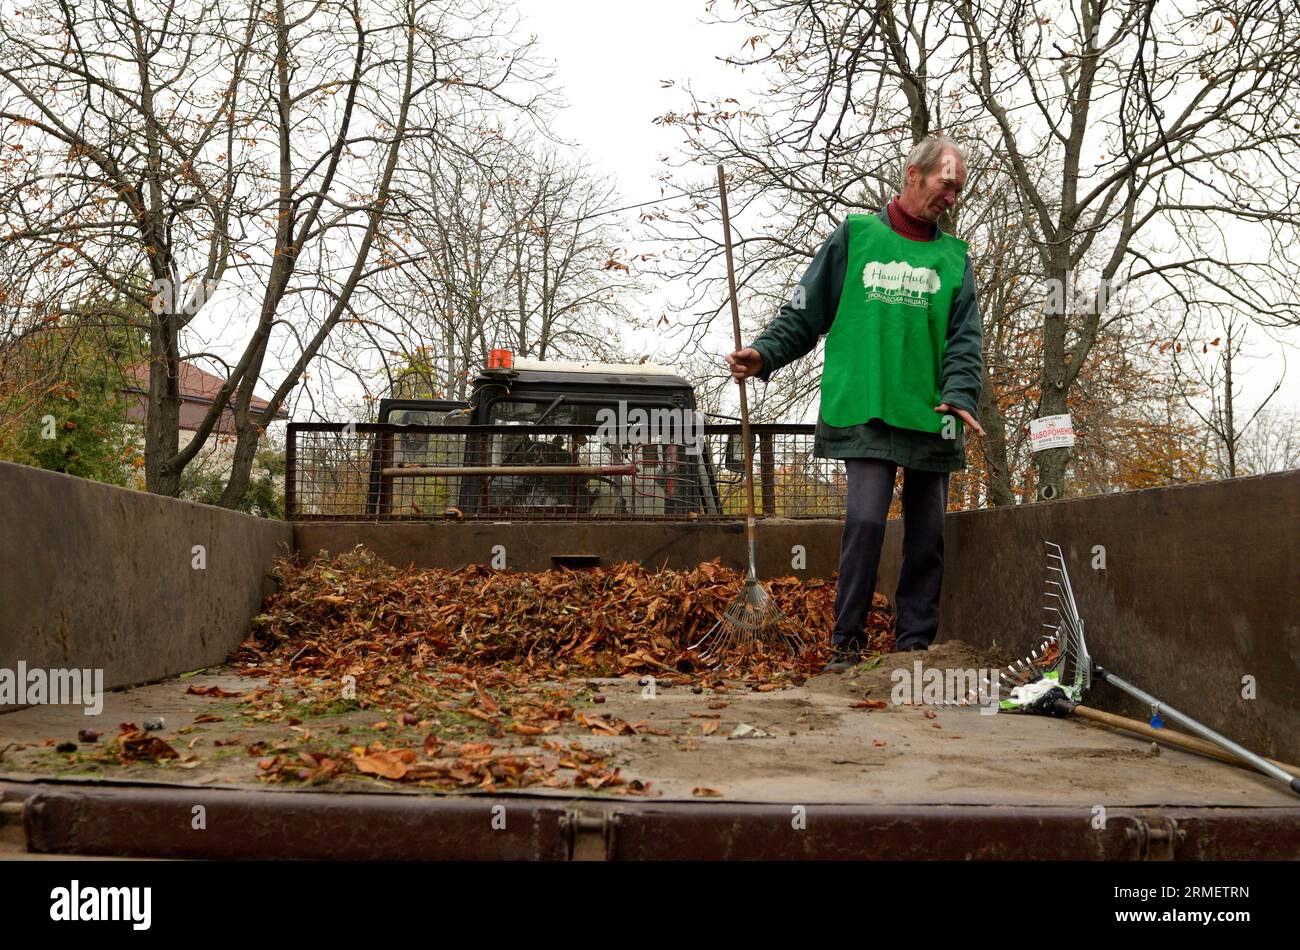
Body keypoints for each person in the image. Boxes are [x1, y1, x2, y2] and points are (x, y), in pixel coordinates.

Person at [725, 135, 985, 673]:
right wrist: (765, 352)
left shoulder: (955, 261)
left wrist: (959, 395)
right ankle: (847, 645)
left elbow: (965, 341)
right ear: (913, 174)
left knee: (928, 533)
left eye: (958, 190)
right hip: (865, 407)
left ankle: (913, 648)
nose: (951, 198)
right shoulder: (854, 237)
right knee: (865, 523)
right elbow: (805, 311)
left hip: (931, 416)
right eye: (946, 184)